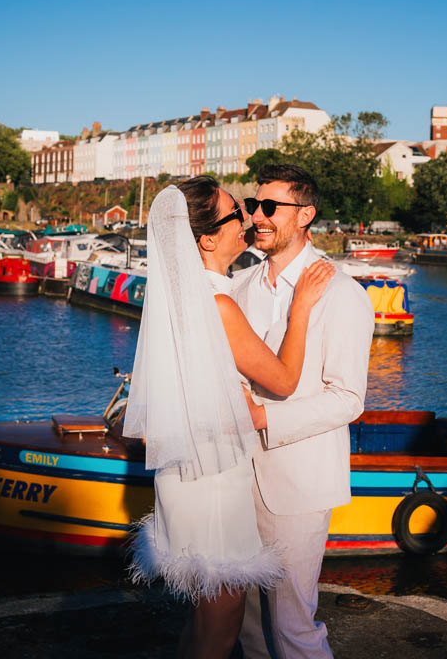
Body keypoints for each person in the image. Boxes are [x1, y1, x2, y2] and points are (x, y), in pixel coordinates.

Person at [123, 177, 335, 659]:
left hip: (184, 472)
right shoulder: (216, 305)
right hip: (214, 478)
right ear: (207, 238)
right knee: (222, 622)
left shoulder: (179, 302)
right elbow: (281, 381)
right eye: (235, 213)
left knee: (203, 617)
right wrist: (301, 306)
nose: (247, 220)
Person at [234, 164, 375, 659]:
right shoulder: (240, 284)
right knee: (247, 624)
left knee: (293, 625)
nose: (258, 216)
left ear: (306, 214)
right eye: (254, 206)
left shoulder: (342, 294)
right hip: (234, 478)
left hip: (298, 483)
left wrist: (266, 418)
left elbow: (348, 399)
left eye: (271, 207)